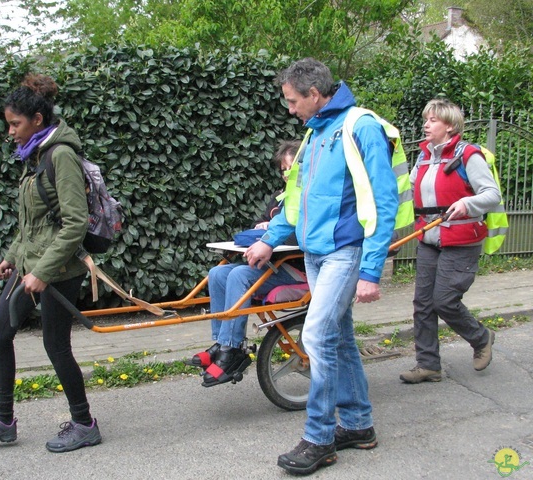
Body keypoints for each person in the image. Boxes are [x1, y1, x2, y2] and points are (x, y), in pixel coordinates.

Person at [245, 58, 398, 475]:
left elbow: (385, 202)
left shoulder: (361, 126)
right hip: (315, 253)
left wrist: (370, 270)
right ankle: (359, 425)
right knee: (340, 338)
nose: (290, 109)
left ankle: (319, 437)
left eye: (294, 101)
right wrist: (268, 240)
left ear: (314, 94)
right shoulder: (314, 133)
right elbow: (294, 200)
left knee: (316, 335)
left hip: (345, 252)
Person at [0, 74, 102, 453]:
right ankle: (3, 422)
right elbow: (33, 222)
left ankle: (84, 423)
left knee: (55, 345)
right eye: (8, 124)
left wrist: (42, 272)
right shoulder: (34, 156)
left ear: (37, 120)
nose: (10, 131)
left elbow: (74, 223)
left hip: (59, 270)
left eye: (15, 124)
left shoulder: (60, 156)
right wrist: (12, 258)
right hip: (29, 267)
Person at [189, 140, 307, 386]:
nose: (287, 175)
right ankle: (222, 343)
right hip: (276, 265)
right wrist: (262, 228)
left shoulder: (309, 197)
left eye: (291, 168)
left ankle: (232, 349)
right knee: (218, 273)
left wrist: (274, 233)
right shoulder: (279, 199)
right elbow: (260, 224)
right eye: (283, 170)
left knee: (239, 275)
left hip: (299, 270)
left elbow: (305, 235)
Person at [399, 99, 501, 384]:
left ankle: (481, 337)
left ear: (450, 125)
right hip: (429, 238)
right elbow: (410, 195)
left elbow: (491, 195)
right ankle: (428, 365)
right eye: (426, 119)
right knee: (423, 303)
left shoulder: (469, 155)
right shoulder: (424, 157)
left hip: (461, 240)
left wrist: (467, 203)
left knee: (444, 301)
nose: (426, 124)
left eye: (432, 120)